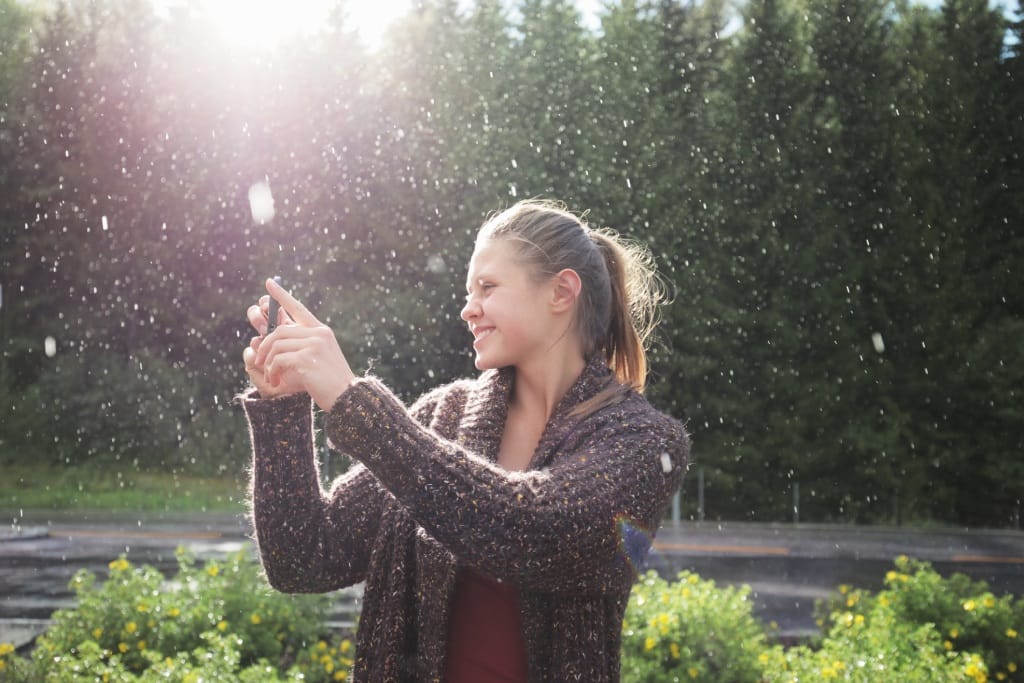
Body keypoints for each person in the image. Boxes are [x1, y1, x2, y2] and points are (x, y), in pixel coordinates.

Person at [240, 199, 690, 682]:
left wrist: (357, 405)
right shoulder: (442, 416)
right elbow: (304, 557)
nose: (467, 308)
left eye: (488, 287)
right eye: (468, 290)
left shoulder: (645, 441)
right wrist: (282, 409)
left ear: (561, 292)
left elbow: (532, 533)